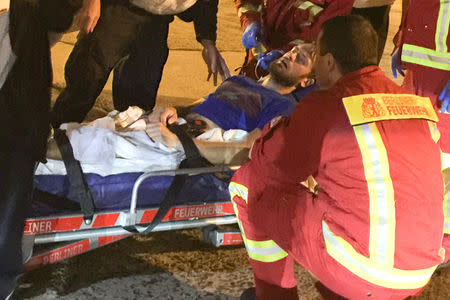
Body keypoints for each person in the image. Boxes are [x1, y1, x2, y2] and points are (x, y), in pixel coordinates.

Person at [229, 15, 445, 300]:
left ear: (329, 62)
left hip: (363, 272)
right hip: (419, 270)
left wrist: (274, 129)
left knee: (247, 184)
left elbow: (271, 164)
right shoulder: (415, 105)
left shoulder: (327, 106)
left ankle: (274, 294)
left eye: (316, 53)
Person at [0, 1, 81, 299]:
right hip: (15, 129)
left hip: (16, 125)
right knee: (8, 210)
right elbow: (58, 16)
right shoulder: (28, 18)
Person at [50, 0, 229, 128]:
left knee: (138, 105)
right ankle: (52, 143)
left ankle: (123, 153)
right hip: (118, 8)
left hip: (158, 17)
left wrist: (208, 41)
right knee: (85, 82)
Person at [145, 44, 315, 165]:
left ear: (306, 82)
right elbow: (203, 102)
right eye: (293, 50)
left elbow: (246, 151)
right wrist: (173, 109)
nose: (290, 56)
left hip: (188, 148)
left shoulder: (283, 106)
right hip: (174, 129)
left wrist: (178, 143)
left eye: (300, 59)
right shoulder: (239, 80)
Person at [391, 0, 450, 261]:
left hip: (442, 84)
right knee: (416, 158)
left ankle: (442, 246)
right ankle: (417, 237)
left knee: (444, 163)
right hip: (419, 76)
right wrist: (402, 42)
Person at [234, 0, 354, 79]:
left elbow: (323, 34)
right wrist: (249, 21)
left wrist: (285, 52)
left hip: (291, 75)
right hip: (254, 65)